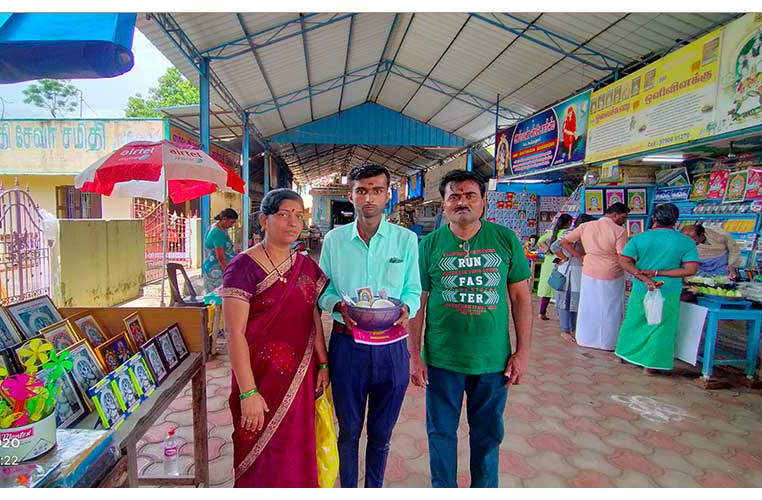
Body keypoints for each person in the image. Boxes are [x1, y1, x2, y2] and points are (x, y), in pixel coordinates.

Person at [408, 170, 533, 488]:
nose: (461, 202)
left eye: (469, 195)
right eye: (454, 196)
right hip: (442, 358)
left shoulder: (505, 240)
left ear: (483, 202)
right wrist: (414, 355)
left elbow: (520, 297)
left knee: (488, 436)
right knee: (440, 433)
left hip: (493, 361)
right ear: (444, 205)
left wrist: (522, 351)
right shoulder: (429, 246)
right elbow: (418, 303)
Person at [317, 164, 422, 488]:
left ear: (388, 195)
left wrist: (407, 307)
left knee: (381, 435)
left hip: (392, 350)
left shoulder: (405, 240)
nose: (369, 197)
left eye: (377, 190)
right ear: (351, 196)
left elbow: (414, 291)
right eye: (362, 190)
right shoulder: (335, 241)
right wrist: (337, 305)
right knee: (348, 433)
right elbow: (324, 291)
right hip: (347, 347)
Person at [221, 189, 330, 488]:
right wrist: (248, 393)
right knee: (259, 453)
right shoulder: (243, 267)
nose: (293, 222)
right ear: (263, 220)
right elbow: (234, 333)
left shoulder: (305, 266)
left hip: (300, 378)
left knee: (296, 451)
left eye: (298, 215)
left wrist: (322, 363)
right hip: (258, 379)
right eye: (283, 214)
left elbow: (313, 316)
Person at [616, 204, 700, 375]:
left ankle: (625, 355)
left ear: (654, 218)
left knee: (635, 320)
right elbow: (690, 269)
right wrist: (659, 273)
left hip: (642, 287)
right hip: (668, 290)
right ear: (676, 221)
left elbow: (624, 261)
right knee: (661, 326)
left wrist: (643, 276)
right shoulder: (685, 242)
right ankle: (651, 365)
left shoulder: (640, 238)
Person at [559, 202, 630, 351]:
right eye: (623, 217)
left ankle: (586, 338)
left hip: (589, 269)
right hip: (612, 271)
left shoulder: (586, 226)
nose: (624, 220)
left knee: (589, 305)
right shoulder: (619, 231)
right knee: (610, 307)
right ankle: (607, 342)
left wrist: (580, 256)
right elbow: (622, 254)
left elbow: (564, 242)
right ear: (615, 215)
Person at [551, 214, 596, 343]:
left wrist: (564, 258)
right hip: (570, 271)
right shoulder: (574, 234)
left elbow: (554, 247)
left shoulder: (569, 232)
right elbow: (555, 247)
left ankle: (571, 329)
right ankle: (566, 329)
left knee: (572, 301)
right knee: (567, 301)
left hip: (574, 270)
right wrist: (569, 257)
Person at [535, 214, 574, 321]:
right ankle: (559, 314)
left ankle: (541, 312)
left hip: (548, 262)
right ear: (569, 223)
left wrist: (547, 250)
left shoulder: (552, 232)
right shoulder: (567, 233)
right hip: (561, 262)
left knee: (547, 289)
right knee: (560, 289)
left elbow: (539, 241)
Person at [204, 208, 240, 292]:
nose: (232, 225)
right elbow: (221, 258)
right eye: (231, 222)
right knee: (218, 298)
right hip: (216, 270)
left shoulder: (220, 229)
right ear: (224, 219)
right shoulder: (218, 233)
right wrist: (229, 274)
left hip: (219, 269)